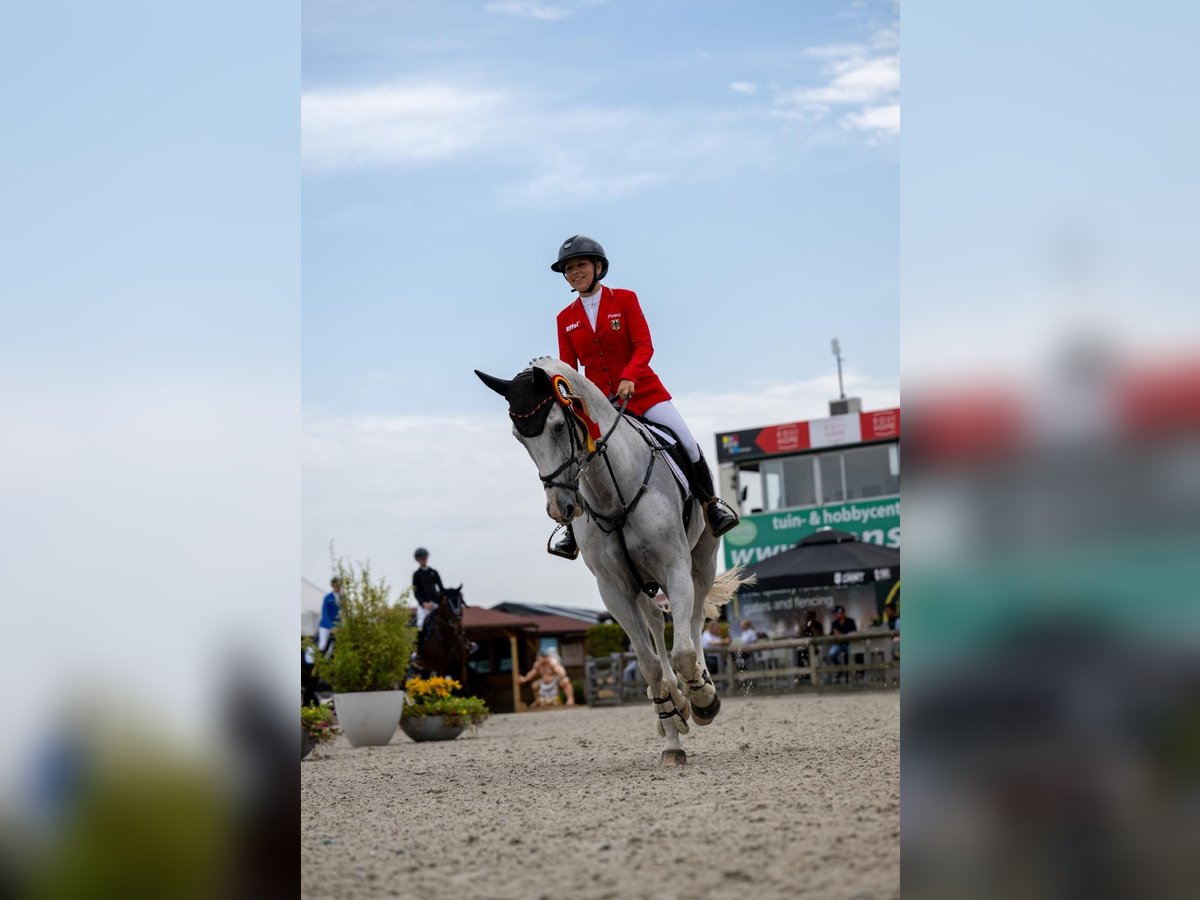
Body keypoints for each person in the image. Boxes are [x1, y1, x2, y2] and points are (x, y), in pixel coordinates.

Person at [547, 234, 740, 559]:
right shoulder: (565, 319)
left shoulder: (624, 300)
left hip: (643, 393)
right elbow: (569, 368)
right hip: (600, 407)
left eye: (580, 264)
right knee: (576, 458)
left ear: (598, 267)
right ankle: (571, 529)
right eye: (568, 268)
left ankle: (711, 505)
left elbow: (644, 346)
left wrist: (629, 377)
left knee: (687, 442)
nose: (574, 272)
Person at [411, 548, 444, 649]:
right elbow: (416, 593)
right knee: (420, 623)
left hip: (435, 603)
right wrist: (423, 603)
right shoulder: (416, 575)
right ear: (418, 560)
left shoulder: (434, 572)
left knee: (450, 618)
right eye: (421, 558)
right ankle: (418, 649)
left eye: (424, 558)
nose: (423, 560)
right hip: (424, 606)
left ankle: (466, 643)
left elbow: (441, 588)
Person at [828, 605, 858, 680]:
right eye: (835, 613)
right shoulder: (834, 623)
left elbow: (853, 632)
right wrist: (835, 634)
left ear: (842, 613)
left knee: (850, 654)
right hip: (838, 644)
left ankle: (850, 672)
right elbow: (831, 634)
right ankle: (840, 668)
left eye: (837, 613)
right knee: (831, 653)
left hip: (849, 644)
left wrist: (842, 634)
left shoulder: (850, 621)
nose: (836, 615)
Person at [317, 577, 341, 655]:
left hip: (337, 626)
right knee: (323, 644)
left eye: (339, 585)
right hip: (326, 626)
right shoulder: (327, 598)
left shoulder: (342, 598)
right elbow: (325, 614)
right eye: (336, 585)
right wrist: (331, 627)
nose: (338, 587)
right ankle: (318, 662)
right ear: (333, 585)